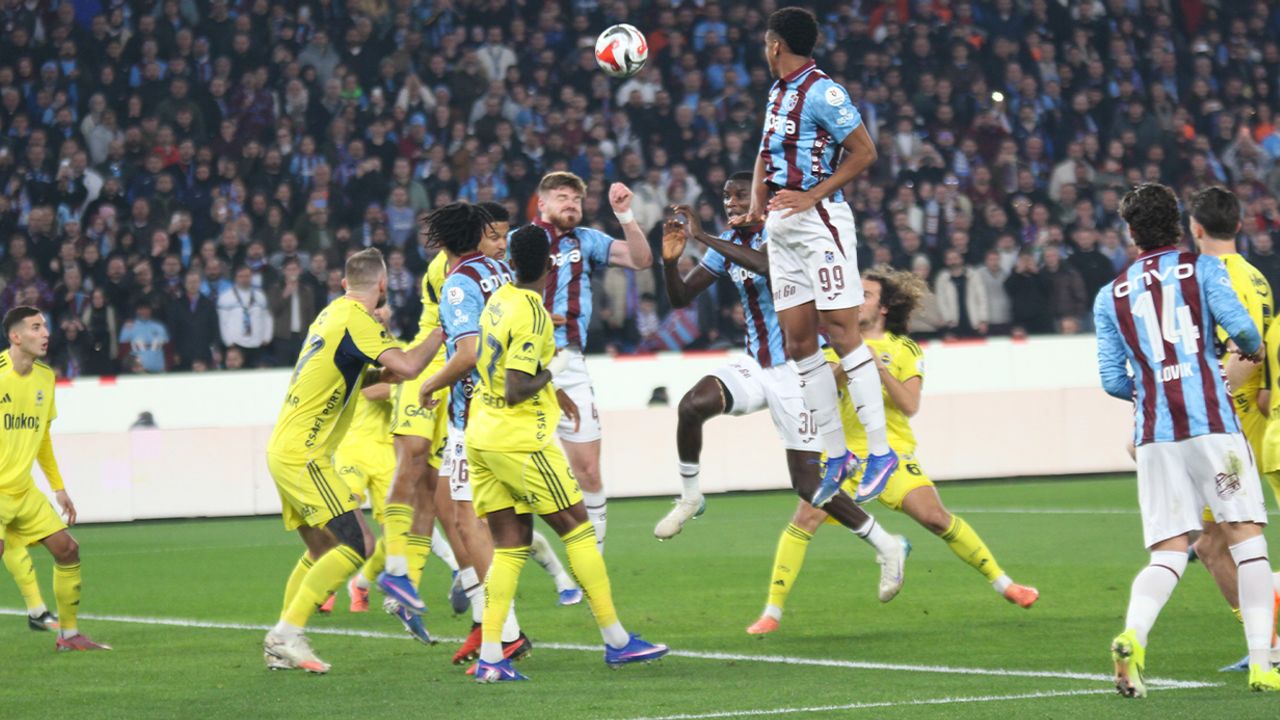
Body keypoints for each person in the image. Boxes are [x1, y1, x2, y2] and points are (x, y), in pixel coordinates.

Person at [651, 175, 908, 603]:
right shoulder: (728, 242)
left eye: (740, 195)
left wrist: (704, 236)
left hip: (800, 369)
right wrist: (668, 263)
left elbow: (768, 266)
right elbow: (681, 299)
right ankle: (691, 497)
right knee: (692, 405)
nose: (731, 203)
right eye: (726, 197)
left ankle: (887, 545)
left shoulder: (786, 229)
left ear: (761, 199)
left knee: (808, 484)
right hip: (757, 362)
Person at [747, 267, 1038, 635]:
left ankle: (1005, 584)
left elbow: (910, 405)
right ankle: (772, 611)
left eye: (865, 295)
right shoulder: (833, 347)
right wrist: (849, 361)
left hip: (892, 453)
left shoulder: (904, 349)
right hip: (845, 456)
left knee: (936, 518)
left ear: (883, 308)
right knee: (804, 519)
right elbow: (821, 393)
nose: (856, 301)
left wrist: (878, 369)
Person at [1093, 183, 1280, 695]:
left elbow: (1111, 379)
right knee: (1248, 541)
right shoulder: (1204, 270)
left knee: (1169, 552)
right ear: (1179, 224)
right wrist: (1240, 355)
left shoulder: (1111, 294)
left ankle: (1133, 634)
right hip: (1213, 425)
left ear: (1131, 232)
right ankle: (1263, 664)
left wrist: (1153, 384)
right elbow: (1245, 333)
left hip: (1155, 434)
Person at [466, 225, 668, 682]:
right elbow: (518, 387)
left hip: (483, 434)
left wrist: (549, 380)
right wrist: (555, 367)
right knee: (578, 529)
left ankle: (492, 657)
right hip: (521, 440)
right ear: (550, 264)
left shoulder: (498, 300)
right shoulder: (533, 313)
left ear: (511, 262)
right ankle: (617, 640)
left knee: (510, 547)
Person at [731, 7, 894, 510]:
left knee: (841, 332)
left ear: (776, 44)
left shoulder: (825, 91)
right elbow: (765, 154)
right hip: (781, 228)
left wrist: (812, 195)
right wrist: (757, 204)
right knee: (799, 343)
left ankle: (881, 451)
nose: (765, 50)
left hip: (819, 223)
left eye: (766, 43)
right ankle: (837, 454)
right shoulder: (777, 93)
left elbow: (864, 151)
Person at [261, 248, 438, 674]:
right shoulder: (359, 320)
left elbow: (349, 372)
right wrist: (444, 328)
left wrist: (377, 373)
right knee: (361, 545)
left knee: (321, 549)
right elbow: (410, 366)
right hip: (306, 454)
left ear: (344, 284)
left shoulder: (331, 313)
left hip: (285, 448)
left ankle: (280, 645)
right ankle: (285, 635)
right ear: (382, 285)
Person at [415, 202, 529, 664]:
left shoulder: (459, 283)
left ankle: (507, 630)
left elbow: (467, 352)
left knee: (468, 521)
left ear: (442, 241)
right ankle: (485, 621)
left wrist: (429, 384)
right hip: (505, 405)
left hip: (476, 413)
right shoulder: (500, 270)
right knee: (450, 504)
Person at [527, 171, 653, 551]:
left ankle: (592, 557)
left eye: (577, 199)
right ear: (542, 203)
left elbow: (641, 259)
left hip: (570, 364)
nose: (571, 204)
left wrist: (625, 215)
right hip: (524, 365)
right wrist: (534, 316)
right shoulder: (521, 241)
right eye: (562, 197)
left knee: (588, 471)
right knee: (516, 470)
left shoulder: (587, 240)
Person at [1184, 186, 1280, 673]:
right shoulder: (1257, 277)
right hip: (1256, 417)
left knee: (1218, 543)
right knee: (1213, 542)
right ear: (1239, 226)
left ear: (1195, 227)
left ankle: (1268, 644)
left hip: (1226, 424)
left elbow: (1244, 352)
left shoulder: (1210, 276)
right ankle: (1267, 643)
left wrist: (1199, 406)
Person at [1, 306, 109, 650]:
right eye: (36, 327)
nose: (46, 333)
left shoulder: (45, 378)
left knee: (67, 550)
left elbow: (42, 437)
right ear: (16, 336)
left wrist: (58, 487)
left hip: (22, 490)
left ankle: (69, 635)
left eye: (45, 327)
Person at [217, 265, 273, 366]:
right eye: (241, 276)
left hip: (257, 343)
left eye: (247, 276)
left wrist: (267, 337)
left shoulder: (260, 296)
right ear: (235, 278)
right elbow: (222, 321)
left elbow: (267, 318)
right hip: (236, 344)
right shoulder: (226, 297)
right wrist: (228, 342)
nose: (244, 279)